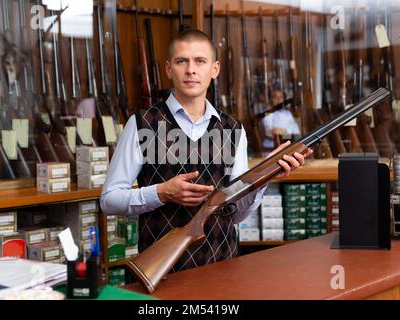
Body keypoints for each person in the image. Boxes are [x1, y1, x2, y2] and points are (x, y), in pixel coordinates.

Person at [100, 29, 312, 272]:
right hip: (162, 275)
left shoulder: (233, 129)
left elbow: (235, 215)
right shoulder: (142, 124)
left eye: (200, 61)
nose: (191, 69)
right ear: (169, 68)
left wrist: (264, 177)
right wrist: (161, 192)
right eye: (182, 61)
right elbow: (109, 201)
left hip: (223, 267)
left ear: (215, 69)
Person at [260, 89, 301, 154]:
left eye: (281, 97)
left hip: (287, 147)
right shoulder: (267, 113)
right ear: (271, 99)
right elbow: (270, 133)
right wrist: (288, 132)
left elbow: (296, 132)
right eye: (275, 97)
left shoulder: (288, 114)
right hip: (270, 150)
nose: (279, 99)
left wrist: (285, 132)